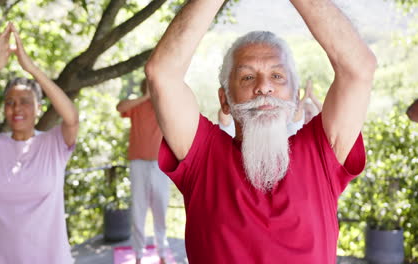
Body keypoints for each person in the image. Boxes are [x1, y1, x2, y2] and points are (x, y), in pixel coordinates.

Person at [145, 0, 376, 263]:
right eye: (247, 77)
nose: (264, 87)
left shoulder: (321, 152)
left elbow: (359, 68)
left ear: (296, 96)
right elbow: (162, 74)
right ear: (225, 100)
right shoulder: (203, 156)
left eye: (277, 76)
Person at [0, 23, 79, 263]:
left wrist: (31, 68)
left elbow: (71, 117)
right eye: (10, 102)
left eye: (25, 101)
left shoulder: (54, 144)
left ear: (39, 108)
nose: (17, 108)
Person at [116, 79, 170, 264]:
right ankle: (138, 255)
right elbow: (119, 107)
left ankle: (162, 253)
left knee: (160, 209)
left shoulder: (164, 105)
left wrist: (156, 96)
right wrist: (145, 97)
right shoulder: (137, 105)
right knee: (138, 211)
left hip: (161, 165)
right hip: (138, 163)